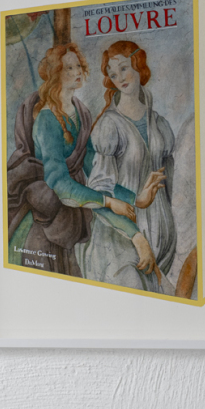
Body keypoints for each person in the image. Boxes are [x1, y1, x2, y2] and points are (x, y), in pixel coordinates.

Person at [6, 43, 137, 276]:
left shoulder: (81, 113)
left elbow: (94, 170)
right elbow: (58, 183)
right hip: (50, 217)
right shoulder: (46, 120)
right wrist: (108, 202)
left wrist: (132, 198)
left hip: (78, 205)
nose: (77, 72)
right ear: (56, 73)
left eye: (78, 66)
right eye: (69, 68)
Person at [80, 40, 176, 292]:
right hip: (120, 243)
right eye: (113, 74)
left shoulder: (160, 125)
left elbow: (170, 189)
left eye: (124, 68)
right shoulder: (109, 126)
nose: (119, 78)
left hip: (160, 245)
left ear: (138, 64)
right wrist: (137, 234)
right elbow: (99, 192)